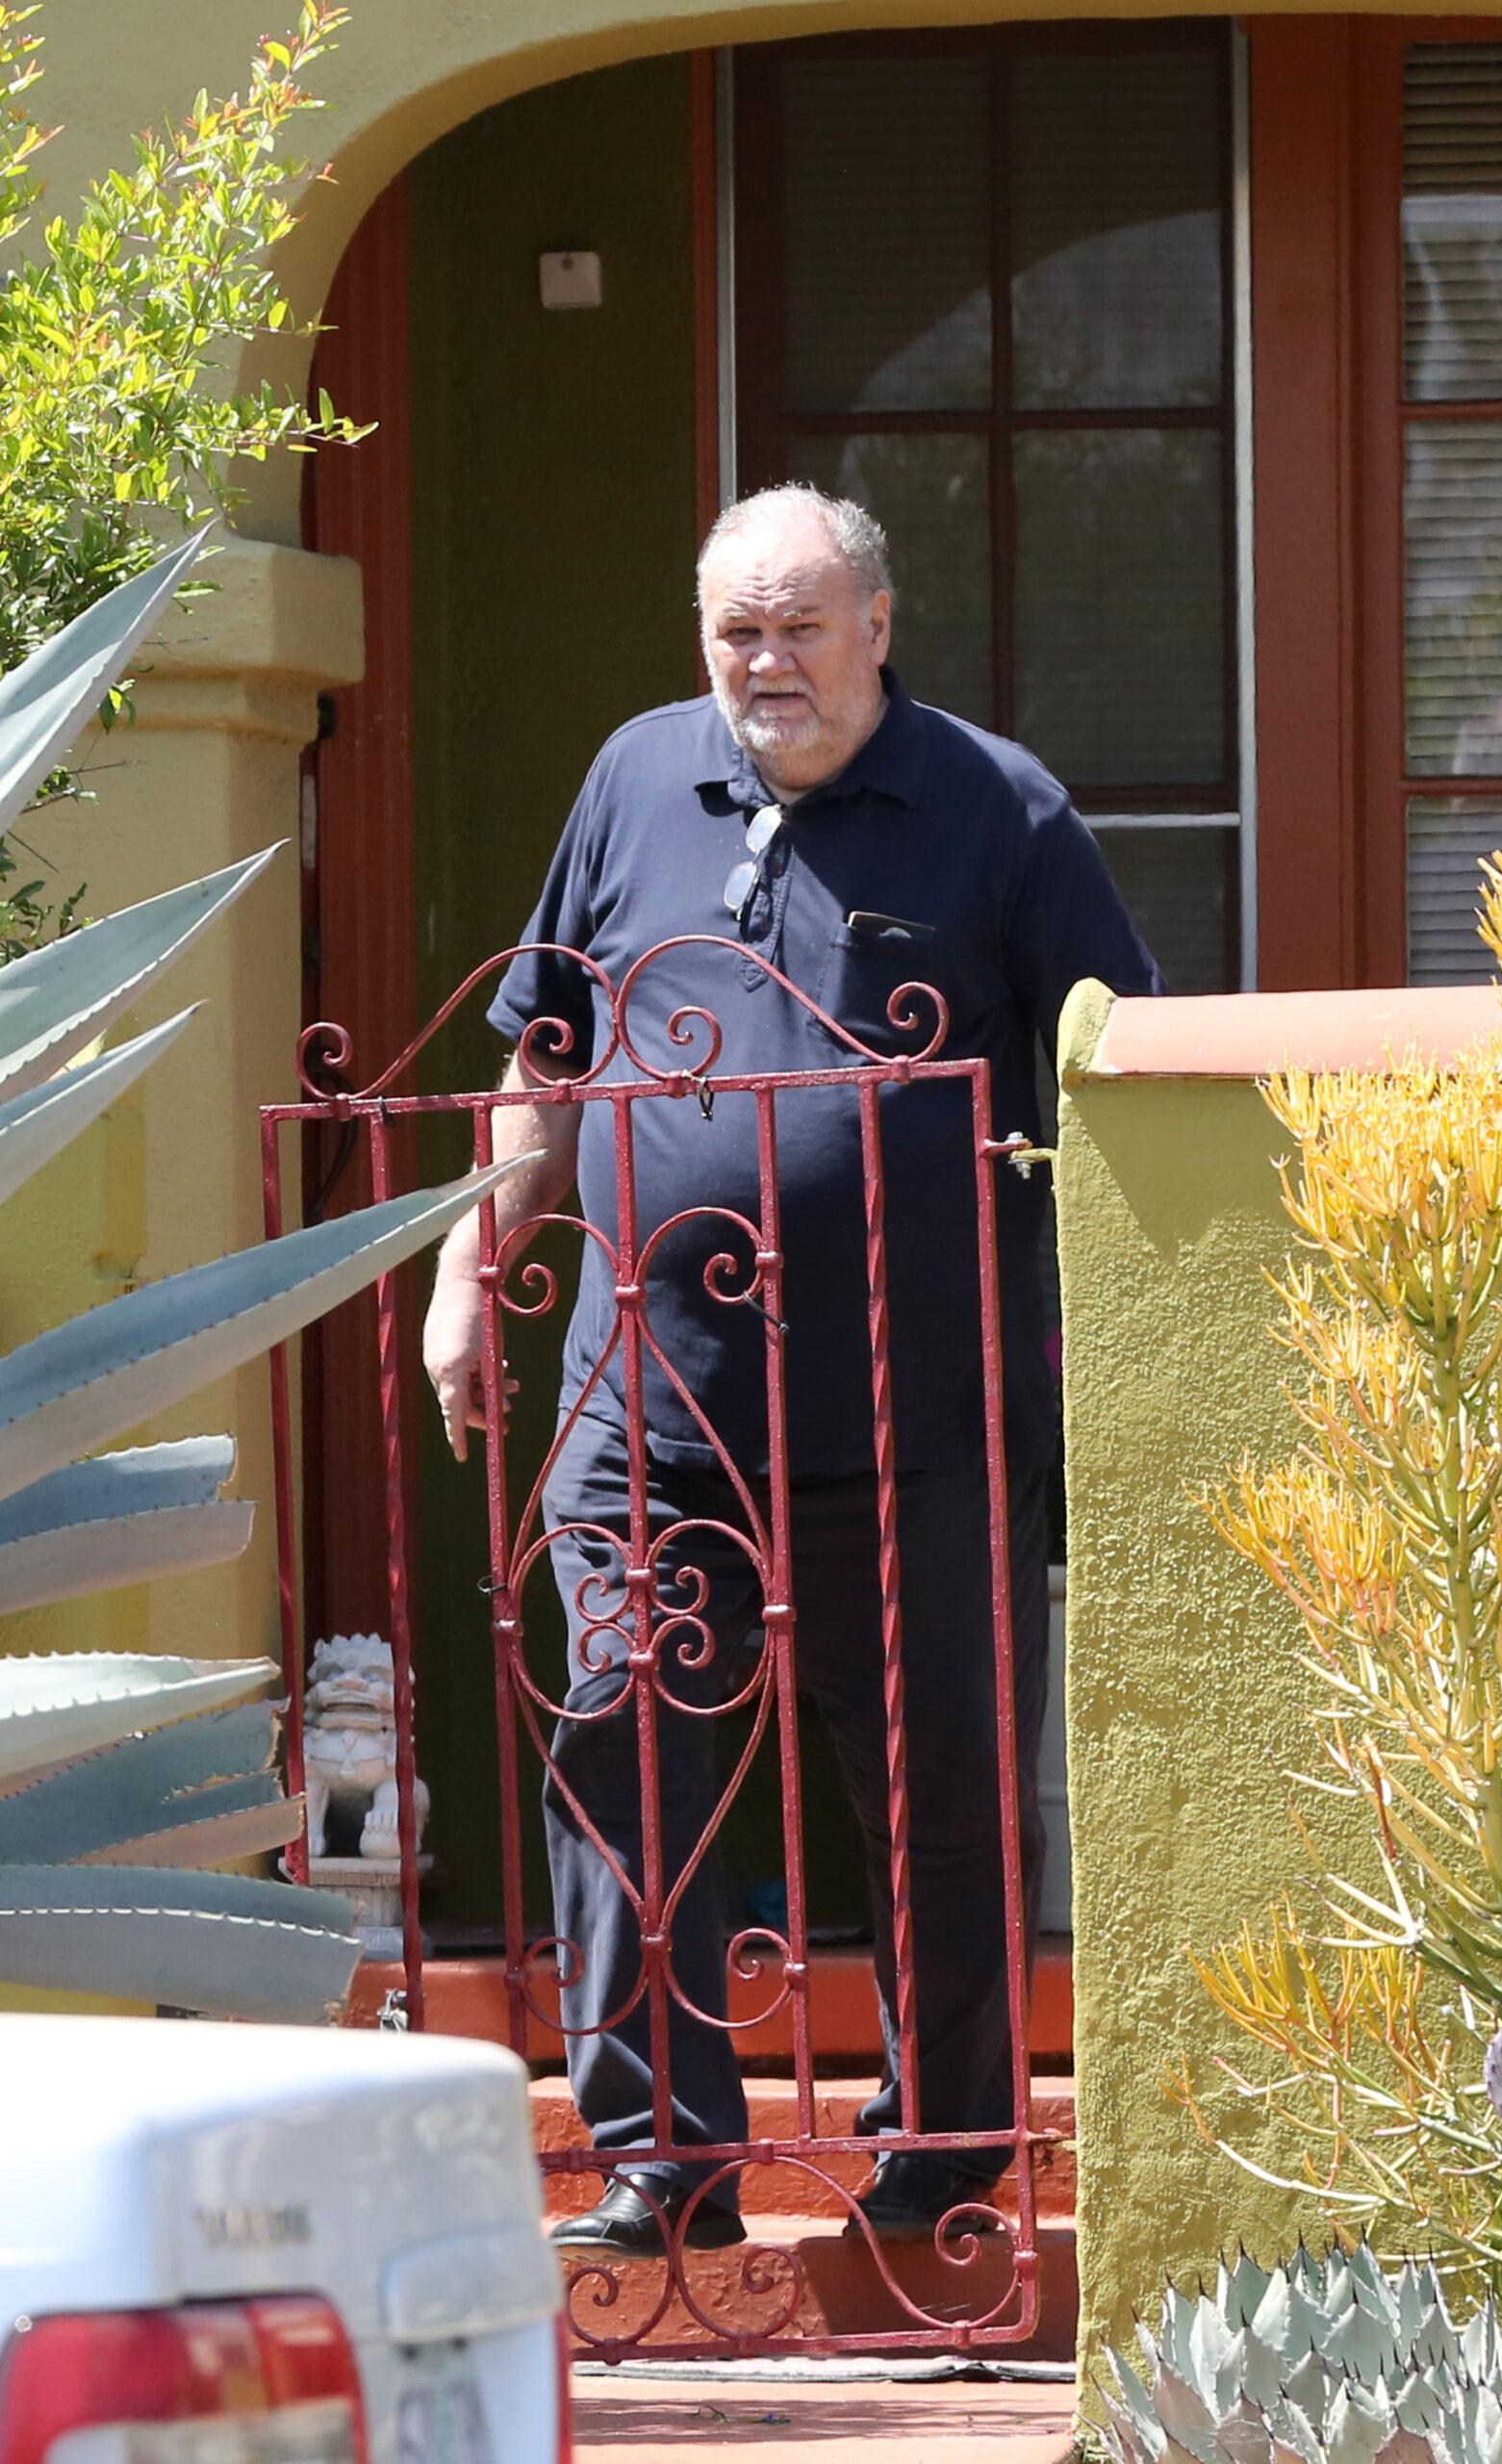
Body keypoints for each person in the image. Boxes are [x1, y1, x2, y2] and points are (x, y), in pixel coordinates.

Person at [421, 485, 1162, 2256]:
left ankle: (948, 2155)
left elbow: (1119, 1084)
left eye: (800, 628)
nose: (768, 664)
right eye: (737, 632)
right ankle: (663, 2167)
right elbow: (550, 1043)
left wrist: (1106, 1351)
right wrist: (472, 1259)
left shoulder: (1002, 809)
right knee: (618, 1763)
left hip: (910, 1421)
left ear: (880, 627)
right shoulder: (633, 778)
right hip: (642, 1402)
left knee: (939, 1793)